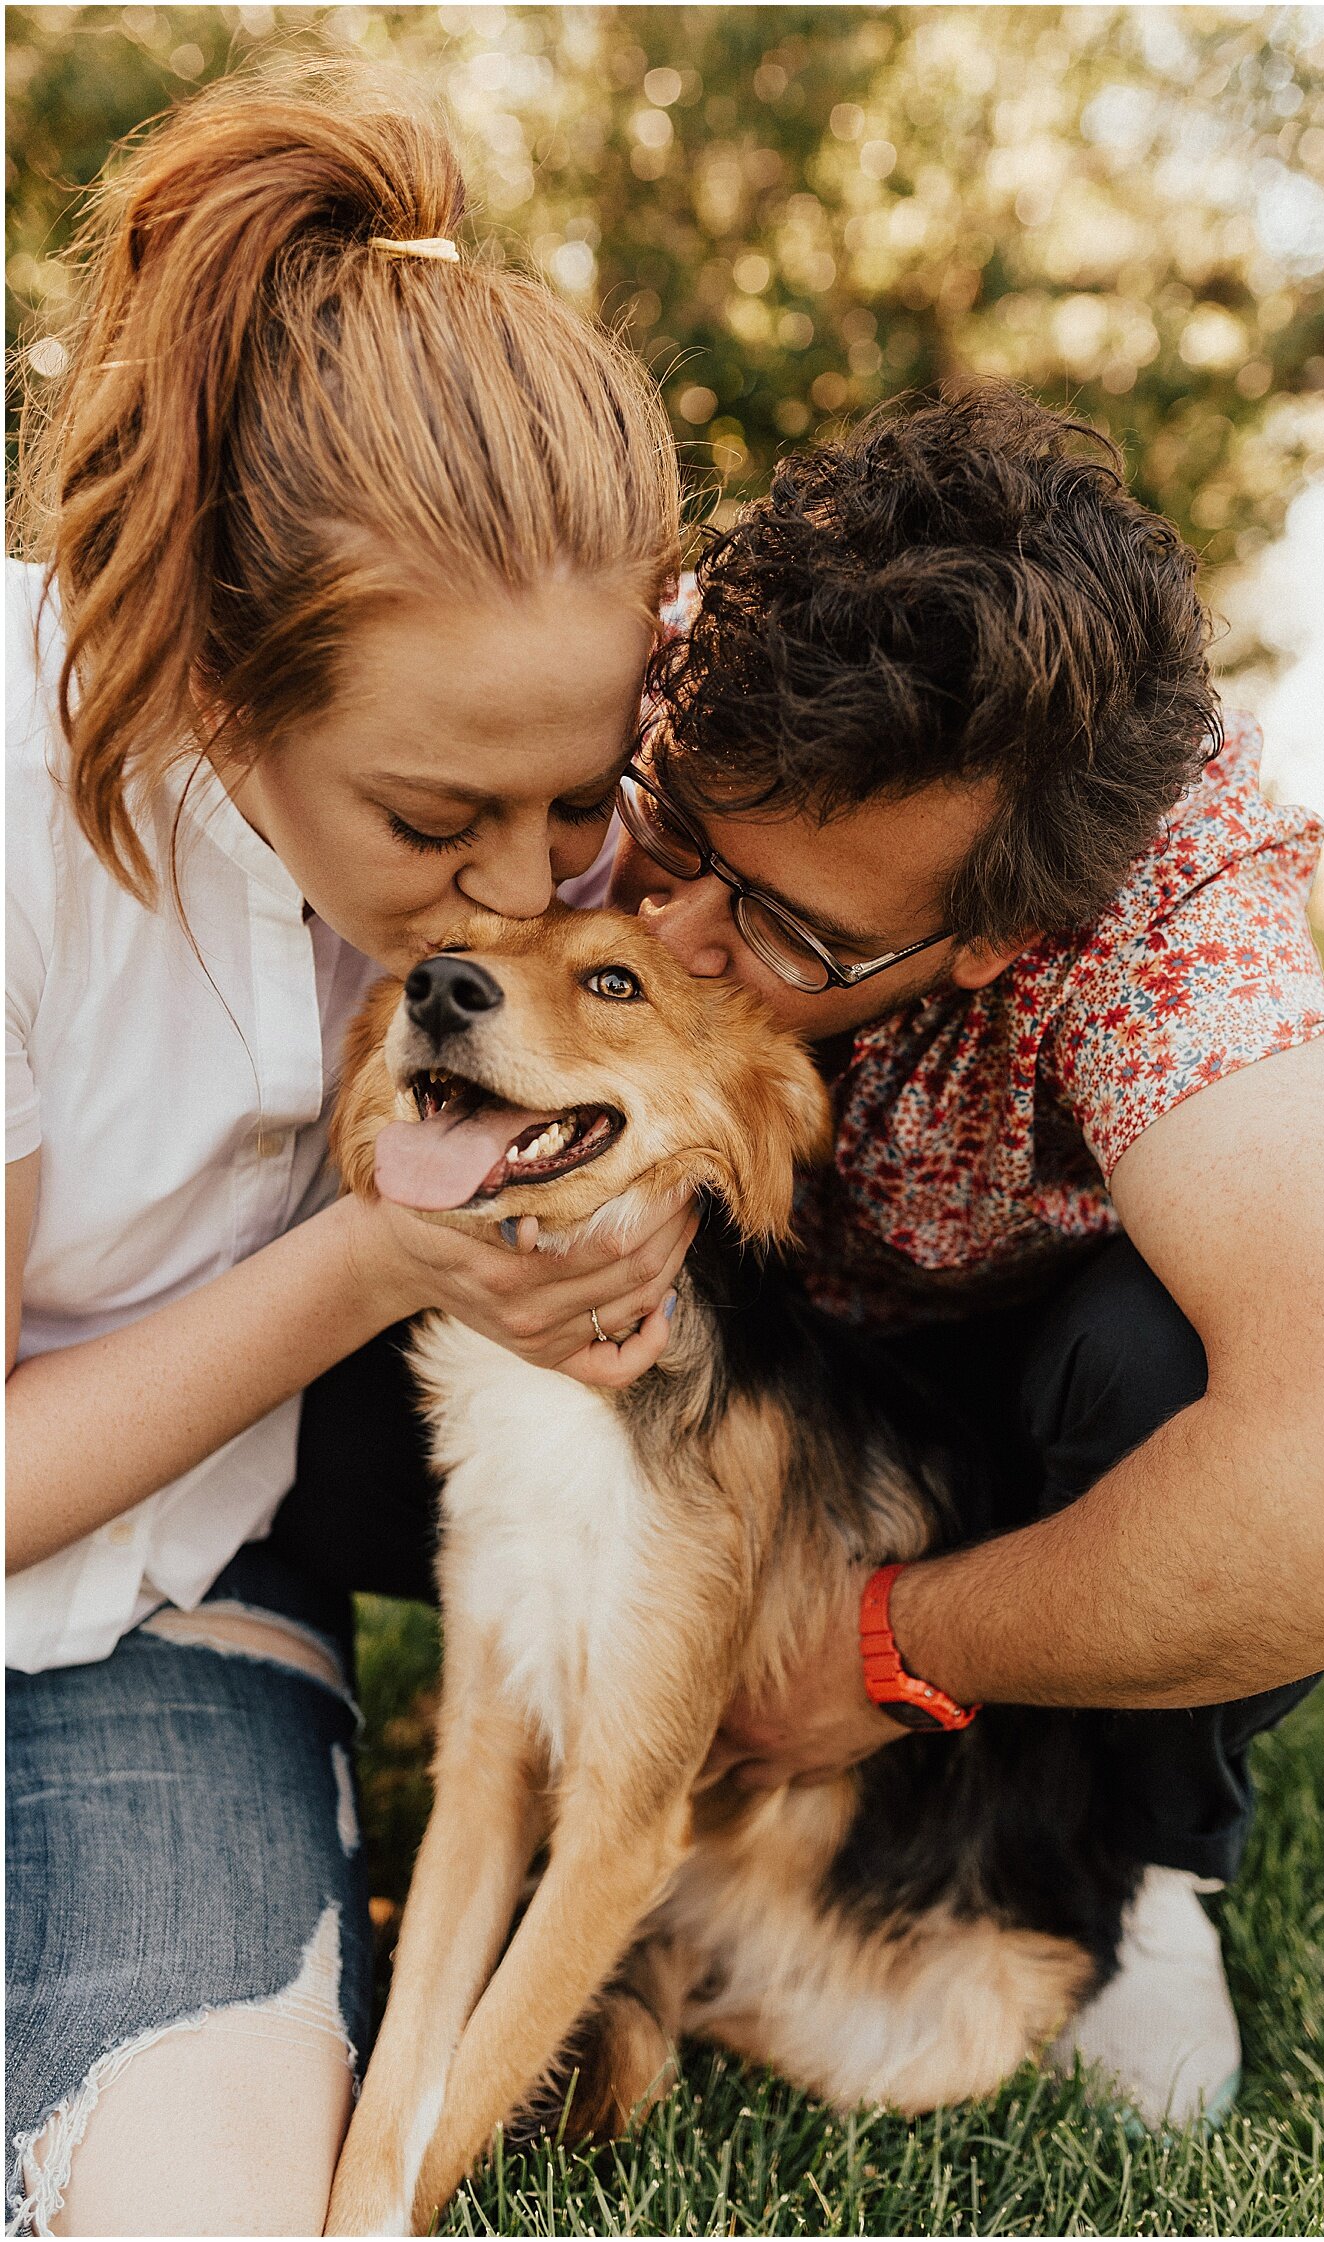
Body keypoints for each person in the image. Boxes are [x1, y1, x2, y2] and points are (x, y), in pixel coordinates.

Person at [279, 384, 1324, 2138]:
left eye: (777, 922)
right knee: (296, 1356)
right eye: (676, 826)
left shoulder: (1157, 894)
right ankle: (337, 1717)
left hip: (960, 1430)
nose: (681, 936)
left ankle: (1147, 1856)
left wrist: (884, 1643)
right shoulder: (664, 661)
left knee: (1166, 1368)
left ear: (1003, 931)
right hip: (618, 1327)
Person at [4, 62, 695, 2238]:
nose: (520, 893)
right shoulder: (29, 817)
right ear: (220, 682)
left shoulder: (546, 757)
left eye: (570, 803)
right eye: (434, 821)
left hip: (177, 1606)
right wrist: (382, 1263)